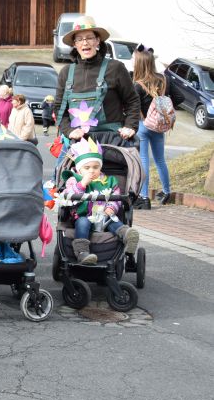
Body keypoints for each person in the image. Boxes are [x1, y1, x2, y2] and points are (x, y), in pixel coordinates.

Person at [54, 16, 140, 144]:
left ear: (97, 40)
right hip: (78, 142)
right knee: (65, 159)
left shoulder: (115, 68)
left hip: (112, 140)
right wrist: (68, 130)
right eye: (79, 39)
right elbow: (59, 108)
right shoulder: (65, 73)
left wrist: (130, 125)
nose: (85, 43)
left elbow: (132, 100)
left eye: (89, 38)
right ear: (74, 44)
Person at [63, 138, 140, 264]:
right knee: (83, 223)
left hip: (103, 214)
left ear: (100, 167)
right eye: (87, 167)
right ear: (79, 169)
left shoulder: (109, 181)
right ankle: (82, 252)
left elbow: (116, 196)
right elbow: (68, 196)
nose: (91, 170)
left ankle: (127, 235)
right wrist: (82, 184)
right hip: (83, 216)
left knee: (112, 220)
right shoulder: (74, 180)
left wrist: (111, 207)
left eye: (96, 167)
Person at [133, 45, 184, 209]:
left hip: (143, 126)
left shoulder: (138, 85)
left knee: (144, 160)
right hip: (160, 126)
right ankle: (166, 192)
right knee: (160, 159)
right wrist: (165, 107)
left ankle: (144, 198)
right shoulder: (164, 80)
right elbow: (180, 97)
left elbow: (133, 107)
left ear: (139, 64)